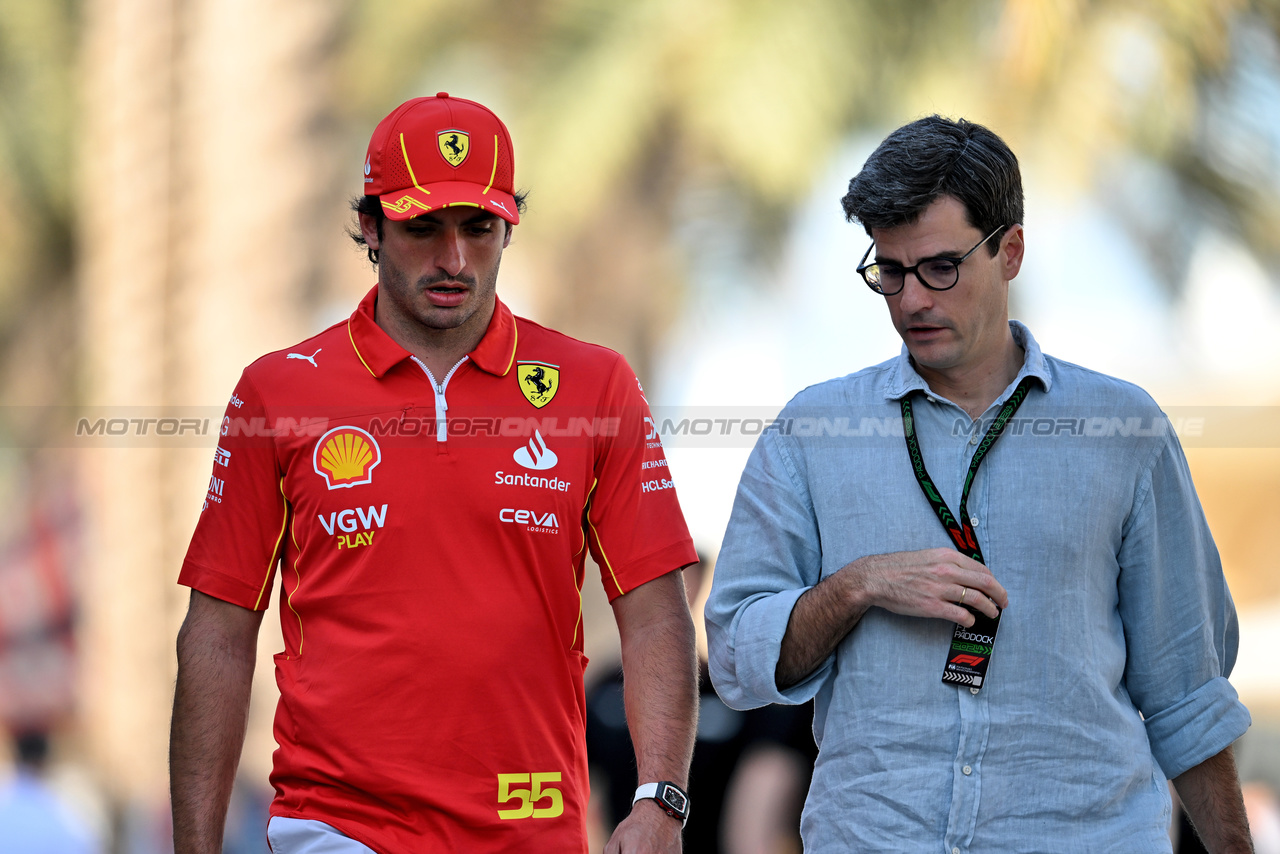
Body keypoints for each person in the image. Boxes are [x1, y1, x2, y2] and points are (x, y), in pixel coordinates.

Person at [704, 116, 1254, 853]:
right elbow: (736, 657)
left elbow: (1187, 694)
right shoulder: (811, 432)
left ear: (1010, 251)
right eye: (889, 273)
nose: (911, 302)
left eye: (939, 267)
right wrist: (857, 586)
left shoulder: (1126, 430)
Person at [170, 93, 700, 854]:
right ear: (370, 226)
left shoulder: (595, 386)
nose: (454, 259)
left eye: (479, 228)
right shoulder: (278, 390)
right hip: (337, 827)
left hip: (534, 829)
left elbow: (654, 612)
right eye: (424, 227)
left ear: (508, 227)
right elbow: (219, 631)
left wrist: (661, 803)